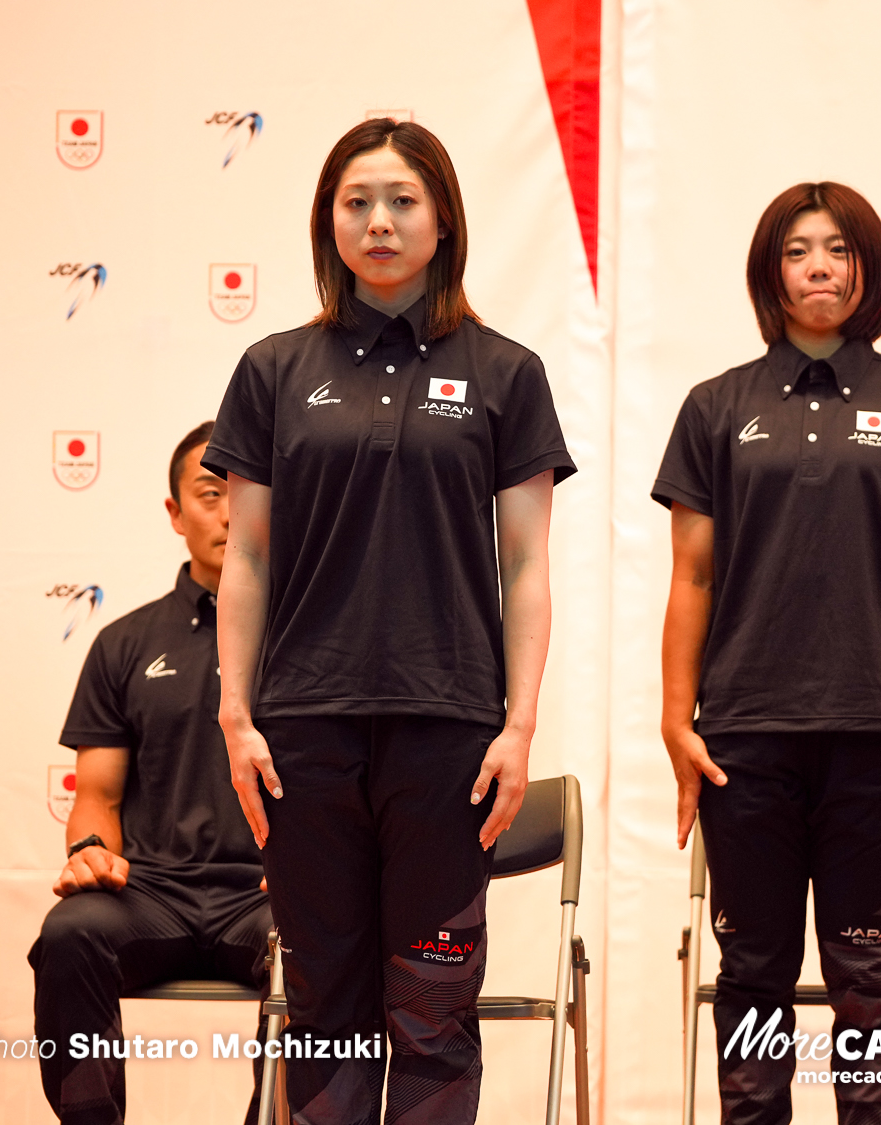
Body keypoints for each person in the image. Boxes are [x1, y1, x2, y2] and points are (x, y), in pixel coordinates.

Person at [205, 119, 574, 1123]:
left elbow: (530, 563)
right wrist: (237, 713)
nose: (378, 220)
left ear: (443, 218)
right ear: (328, 221)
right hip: (303, 732)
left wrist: (519, 722)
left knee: (432, 1010)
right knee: (324, 1006)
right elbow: (244, 555)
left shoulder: (504, 371)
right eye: (356, 200)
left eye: (402, 200)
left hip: (449, 729)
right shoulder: (275, 367)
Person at [654, 180, 881, 1124]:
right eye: (798, 250)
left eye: (840, 250)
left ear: (871, 268)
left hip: (878, 738)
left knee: (870, 982)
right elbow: (691, 577)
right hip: (744, 738)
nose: (820, 267)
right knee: (754, 978)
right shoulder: (715, 406)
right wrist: (676, 718)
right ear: (770, 271)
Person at [28, 422, 269, 1125]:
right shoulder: (125, 642)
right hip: (151, 891)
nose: (230, 511)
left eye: (250, 494)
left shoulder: (314, 639)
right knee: (72, 931)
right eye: (209, 493)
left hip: (265, 892)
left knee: (319, 939)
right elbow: (96, 795)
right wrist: (87, 852)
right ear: (175, 513)